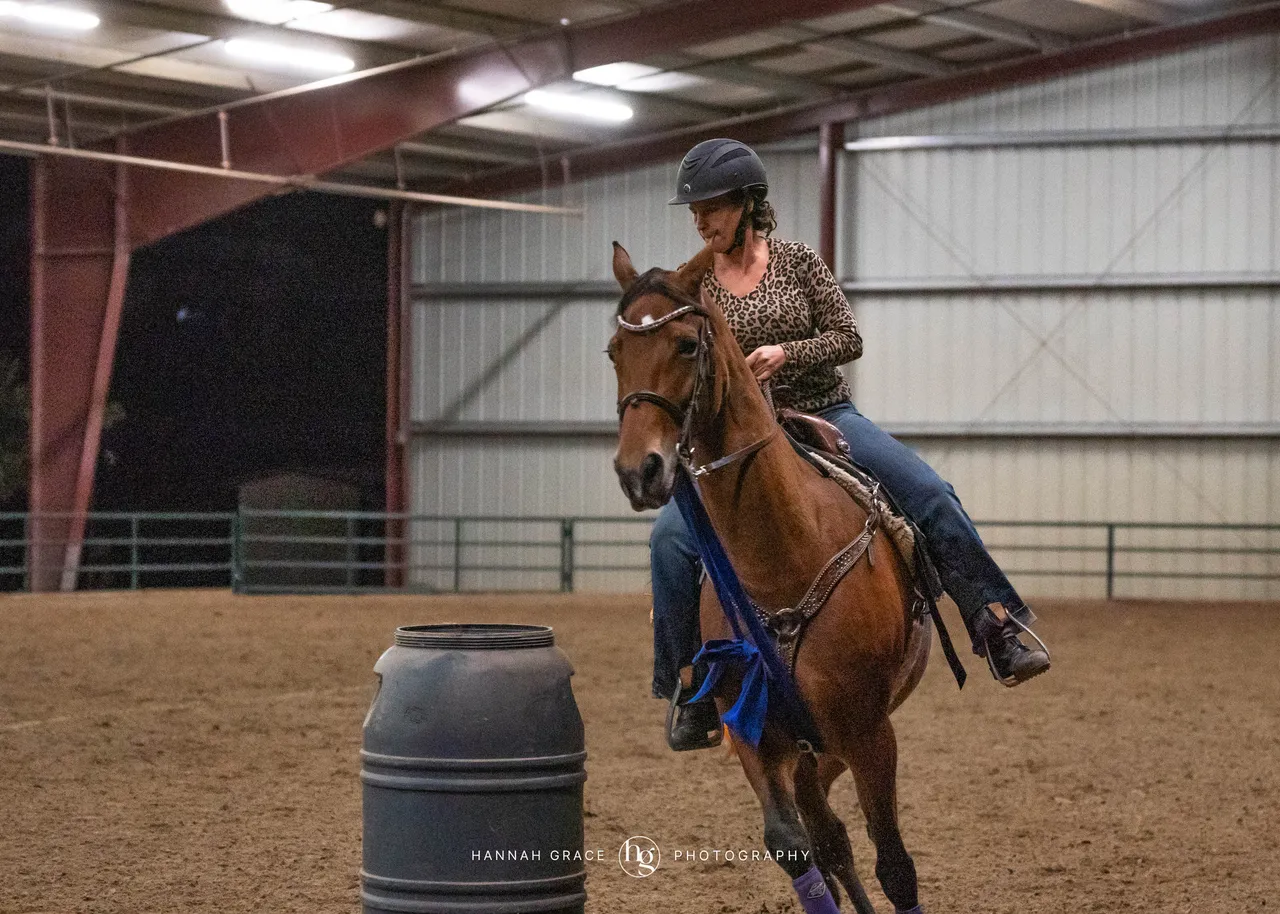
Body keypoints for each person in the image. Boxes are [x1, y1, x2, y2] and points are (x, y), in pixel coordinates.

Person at [652, 138, 1051, 751]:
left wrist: (789, 353)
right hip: (739, 441)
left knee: (927, 491)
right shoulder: (694, 286)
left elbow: (848, 336)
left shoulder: (799, 263)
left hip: (824, 411)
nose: (701, 221)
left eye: (712, 207)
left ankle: (992, 622)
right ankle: (689, 687)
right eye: (694, 211)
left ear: (748, 203)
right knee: (669, 542)